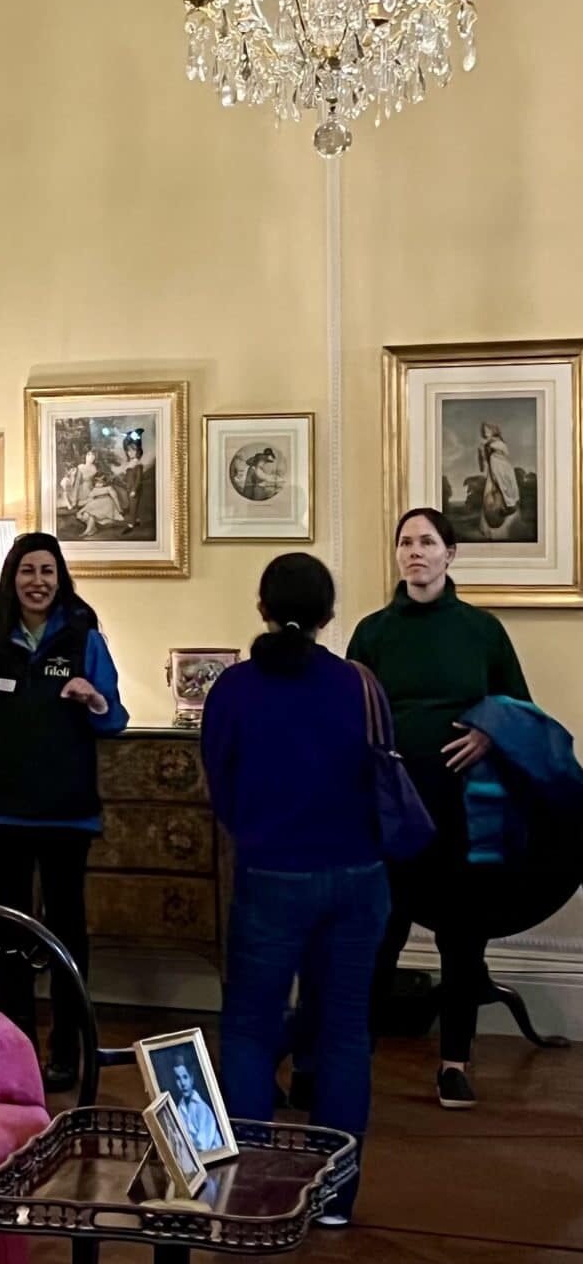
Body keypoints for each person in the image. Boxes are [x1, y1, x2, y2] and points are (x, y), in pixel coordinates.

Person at [202, 552, 388, 1222]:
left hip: (272, 874)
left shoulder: (234, 689)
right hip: (359, 876)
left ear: (261, 607)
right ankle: (335, 1200)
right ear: (328, 615)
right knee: (343, 1034)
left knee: (250, 1029)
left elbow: (220, 786)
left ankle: (253, 1193)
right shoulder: (358, 684)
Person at [349, 507, 530, 1110]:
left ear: (451, 554)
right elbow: (353, 714)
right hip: (393, 809)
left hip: (463, 809)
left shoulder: (482, 631)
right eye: (406, 542)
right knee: (381, 935)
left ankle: (454, 1062)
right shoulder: (372, 632)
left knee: (462, 937)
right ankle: (358, 1056)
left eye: (428, 542)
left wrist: (487, 730)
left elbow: (518, 707)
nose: (415, 552)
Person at [0, 531, 129, 1091]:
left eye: (47, 571)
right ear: (12, 579)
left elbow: (114, 717)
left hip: (68, 813)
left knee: (66, 932)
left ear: (60, 578)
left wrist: (94, 699)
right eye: (27, 571)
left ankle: (68, 1049)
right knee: (10, 935)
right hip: (4, 812)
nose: (37, 581)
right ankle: (13, 1051)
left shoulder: (84, 637)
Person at [170, 1057, 224, 1152]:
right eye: (178, 1078)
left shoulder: (201, 1108)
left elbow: (203, 1145)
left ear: (192, 1079)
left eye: (185, 1077)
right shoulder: (180, 1108)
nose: (182, 1083)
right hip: (193, 1156)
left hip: (212, 1155)